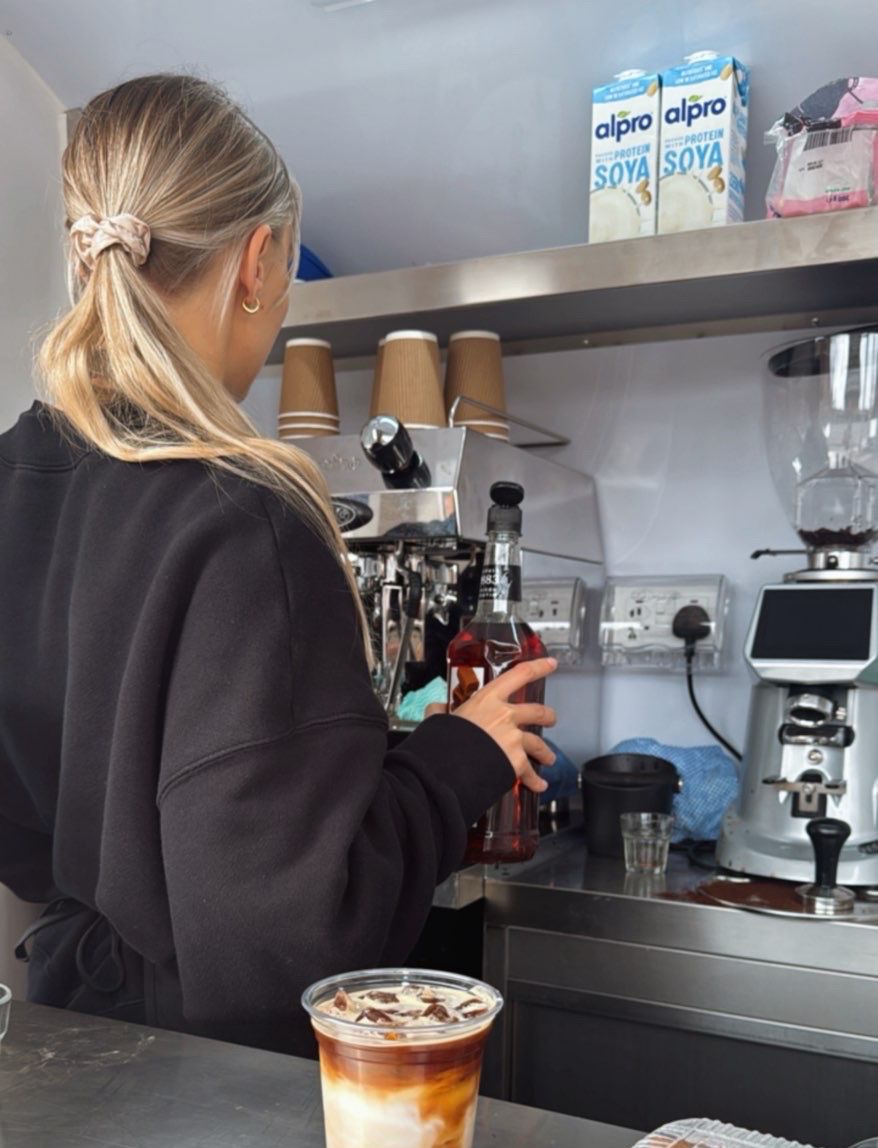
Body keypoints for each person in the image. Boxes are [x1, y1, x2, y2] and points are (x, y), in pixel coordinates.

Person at [0, 74, 556, 1054]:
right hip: (214, 1102)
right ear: (259, 261)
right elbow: (291, 936)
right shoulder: (244, 517)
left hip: (66, 1050)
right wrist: (456, 757)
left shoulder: (13, 475)